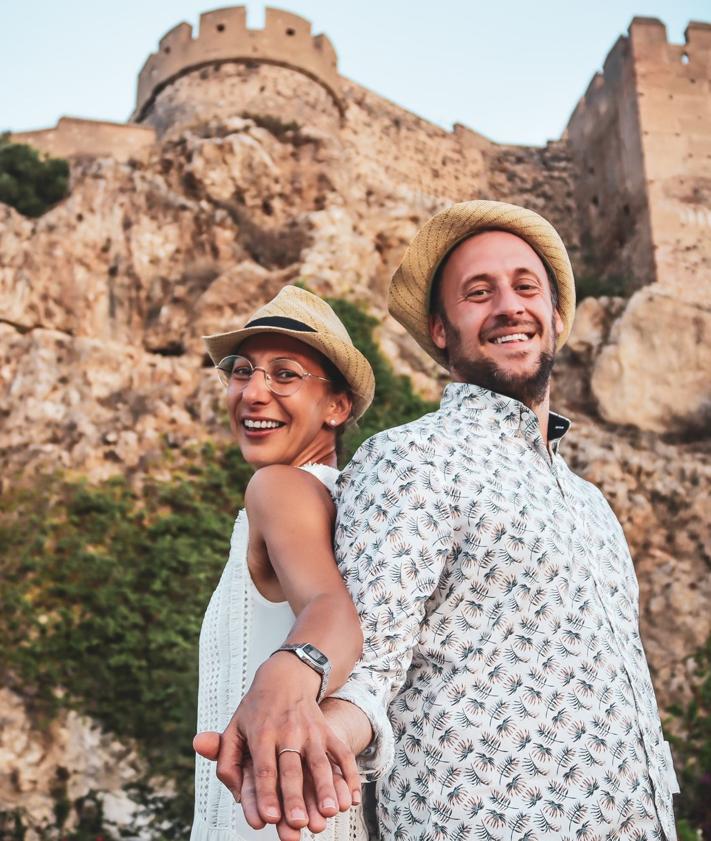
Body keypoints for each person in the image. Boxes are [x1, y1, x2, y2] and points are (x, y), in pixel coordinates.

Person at [213, 201, 680, 841]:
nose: (509, 306)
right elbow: (369, 663)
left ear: (556, 315)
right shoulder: (411, 458)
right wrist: (317, 738)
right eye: (478, 293)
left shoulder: (592, 503)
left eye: (526, 287)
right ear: (439, 329)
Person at [190, 285, 375, 841]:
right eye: (242, 371)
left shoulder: (278, 487)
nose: (253, 392)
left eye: (285, 374)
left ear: (337, 407)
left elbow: (329, 608)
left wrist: (292, 670)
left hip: (269, 821)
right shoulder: (350, 506)